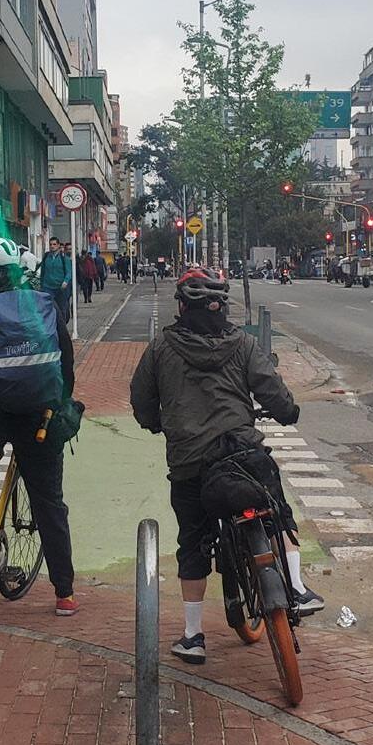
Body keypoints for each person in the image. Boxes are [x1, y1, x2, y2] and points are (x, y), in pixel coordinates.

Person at [130, 265, 323, 664]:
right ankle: (297, 587)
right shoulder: (242, 344)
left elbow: (141, 399)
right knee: (277, 512)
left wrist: (155, 422)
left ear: (181, 308)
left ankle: (192, 635)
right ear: (222, 307)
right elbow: (271, 389)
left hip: (190, 463)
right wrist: (287, 412)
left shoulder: (161, 348)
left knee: (193, 542)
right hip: (242, 453)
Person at [0, 237, 78, 617]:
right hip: (40, 418)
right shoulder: (46, 305)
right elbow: (66, 362)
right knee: (48, 502)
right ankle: (64, 593)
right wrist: (60, 401)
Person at [40, 236, 72, 321]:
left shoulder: (64, 258)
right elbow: (42, 272)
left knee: (61, 308)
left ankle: (62, 326)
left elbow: (69, 272)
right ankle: (51, 326)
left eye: (54, 244)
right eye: (50, 244)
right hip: (48, 287)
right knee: (48, 308)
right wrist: (42, 285)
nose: (52, 246)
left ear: (58, 245)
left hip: (60, 288)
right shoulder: (46, 257)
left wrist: (65, 281)